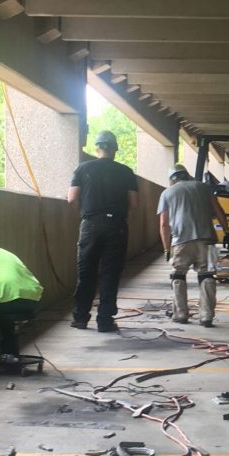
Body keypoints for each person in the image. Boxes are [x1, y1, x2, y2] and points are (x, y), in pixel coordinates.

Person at [67, 129, 139, 332]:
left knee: (86, 272)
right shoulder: (125, 171)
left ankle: (80, 318)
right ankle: (105, 321)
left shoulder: (83, 168)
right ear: (115, 149)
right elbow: (134, 203)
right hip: (116, 226)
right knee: (110, 273)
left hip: (90, 224)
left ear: (97, 147)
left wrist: (85, 214)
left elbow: (72, 198)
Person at [157, 163, 229, 327]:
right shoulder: (204, 188)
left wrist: (166, 248)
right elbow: (219, 210)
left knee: (178, 276)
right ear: (187, 174)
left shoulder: (167, 193)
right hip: (207, 240)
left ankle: (181, 314)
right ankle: (206, 316)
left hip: (181, 241)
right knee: (206, 276)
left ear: (172, 179)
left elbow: (164, 224)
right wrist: (227, 232)